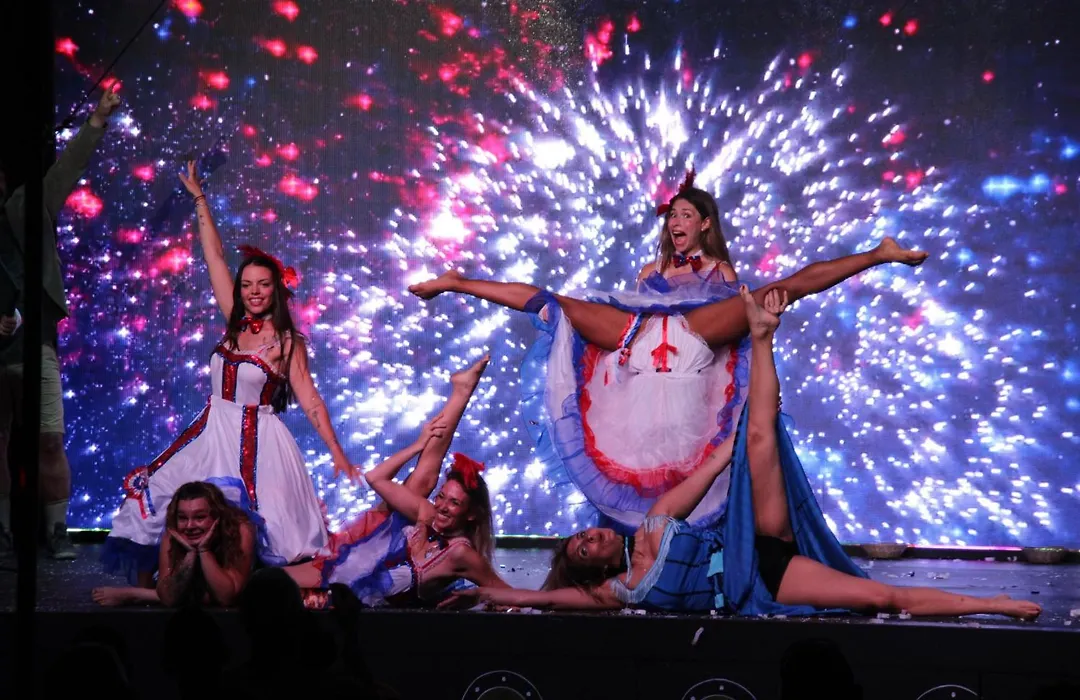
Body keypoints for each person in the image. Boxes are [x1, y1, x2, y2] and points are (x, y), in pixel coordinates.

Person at [442, 287, 1042, 621]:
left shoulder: (653, 522)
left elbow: (712, 467)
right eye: (584, 548)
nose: (591, 536)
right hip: (762, 579)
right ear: (591, 570)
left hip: (750, 538)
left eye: (582, 535)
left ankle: (761, 336)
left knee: (759, 435)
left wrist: (742, 430)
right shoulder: (614, 592)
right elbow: (533, 597)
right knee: (880, 599)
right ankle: (993, 605)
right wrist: (482, 593)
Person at [409, 174, 929, 533]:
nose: (675, 222)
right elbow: (638, 314)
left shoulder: (720, 271)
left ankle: (876, 254)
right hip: (642, 340)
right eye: (672, 215)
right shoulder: (649, 273)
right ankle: (459, 282)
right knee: (556, 304)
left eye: (685, 215)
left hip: (692, 340)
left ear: (705, 224)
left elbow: (729, 339)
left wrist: (750, 327)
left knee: (781, 289)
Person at [101, 160, 355, 585]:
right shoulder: (234, 322)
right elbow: (214, 256)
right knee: (162, 491)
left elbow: (310, 399)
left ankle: (242, 594)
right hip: (212, 429)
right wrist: (200, 199)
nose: (254, 292)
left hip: (260, 442)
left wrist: (337, 452)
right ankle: (155, 598)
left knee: (266, 528)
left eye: (263, 284)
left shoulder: (287, 342)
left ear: (276, 289)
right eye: (247, 285)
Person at [0, 84, 122, 559]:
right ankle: (3, 531)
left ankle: (56, 529)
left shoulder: (28, 205)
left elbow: (68, 166)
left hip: (36, 346)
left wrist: (97, 119)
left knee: (49, 439)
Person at [283, 355, 511, 607]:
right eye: (441, 497)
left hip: (347, 592)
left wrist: (502, 602)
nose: (443, 506)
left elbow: (505, 592)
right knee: (419, 486)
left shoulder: (460, 553)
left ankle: (462, 392)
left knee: (417, 488)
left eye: (455, 503)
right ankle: (462, 392)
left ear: (472, 514)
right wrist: (417, 445)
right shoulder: (429, 515)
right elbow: (375, 477)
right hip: (346, 565)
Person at [92, 480, 256, 607]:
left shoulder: (239, 529)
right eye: (183, 518)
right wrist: (191, 554)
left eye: (199, 517)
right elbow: (169, 598)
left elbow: (226, 598)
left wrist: (204, 550)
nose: (190, 526)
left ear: (216, 517)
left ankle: (135, 593)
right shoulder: (173, 534)